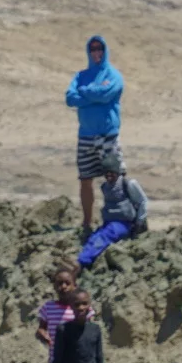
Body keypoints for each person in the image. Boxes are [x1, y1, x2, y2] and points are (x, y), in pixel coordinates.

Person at [65, 35, 125, 237]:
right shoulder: (80, 76)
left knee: (114, 178)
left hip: (107, 134)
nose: (96, 53)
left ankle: (119, 219)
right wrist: (93, 94)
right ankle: (87, 221)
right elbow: (70, 98)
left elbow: (106, 94)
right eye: (93, 49)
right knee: (85, 179)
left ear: (105, 51)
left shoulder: (113, 75)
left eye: (100, 49)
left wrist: (86, 94)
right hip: (86, 135)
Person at [76, 152, 147, 271]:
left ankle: (83, 261)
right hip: (109, 222)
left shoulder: (127, 184)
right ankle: (83, 257)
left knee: (105, 236)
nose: (109, 176)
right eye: (106, 173)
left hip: (124, 224)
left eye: (112, 173)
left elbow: (142, 202)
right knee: (95, 236)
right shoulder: (105, 187)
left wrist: (139, 222)